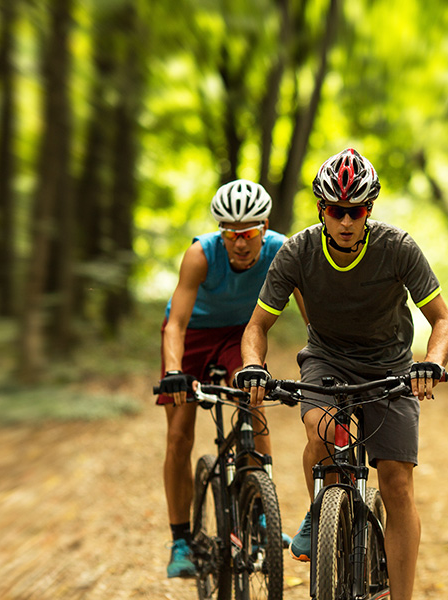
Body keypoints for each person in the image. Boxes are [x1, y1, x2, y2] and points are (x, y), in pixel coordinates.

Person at [234, 149, 448, 600]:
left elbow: (443, 321)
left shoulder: (398, 248)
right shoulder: (298, 252)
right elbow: (257, 326)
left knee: (396, 482)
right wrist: (254, 366)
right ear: (323, 210)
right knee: (322, 431)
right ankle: (322, 511)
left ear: (368, 210)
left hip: (391, 367)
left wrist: (432, 363)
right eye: (337, 211)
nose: (346, 222)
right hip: (328, 359)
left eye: (355, 211)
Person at [156, 179, 305, 578]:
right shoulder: (200, 255)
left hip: (241, 333)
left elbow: (313, 317)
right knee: (179, 435)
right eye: (231, 234)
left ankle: (259, 507)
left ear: (265, 227)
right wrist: (173, 371)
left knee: (252, 392)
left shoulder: (282, 250)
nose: (240, 243)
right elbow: (176, 324)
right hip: (194, 336)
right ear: (221, 232)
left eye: (249, 233)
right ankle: (180, 541)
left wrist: (324, 356)